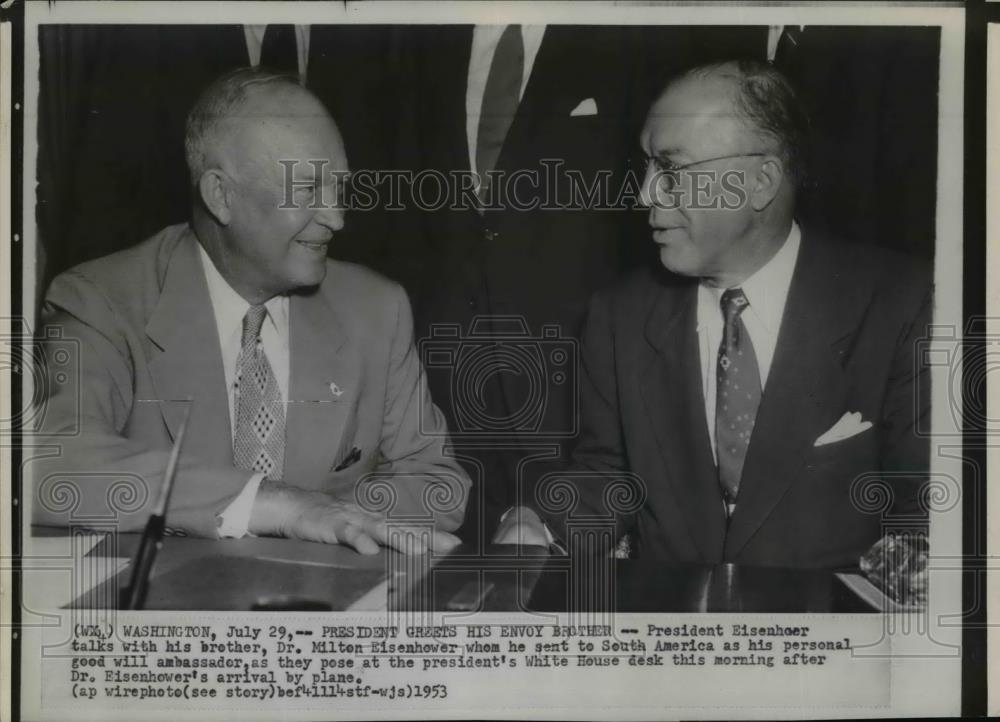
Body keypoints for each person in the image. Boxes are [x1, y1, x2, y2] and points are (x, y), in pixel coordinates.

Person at [496, 60, 931, 572]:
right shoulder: (620, 315)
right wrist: (541, 521)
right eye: (647, 167)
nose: (645, 195)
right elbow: (610, 475)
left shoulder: (906, 303)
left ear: (760, 182)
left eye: (672, 170)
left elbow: (928, 512)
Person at [31, 68, 469, 555]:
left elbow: (439, 485)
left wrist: (318, 511)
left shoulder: (377, 308)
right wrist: (278, 507)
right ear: (221, 195)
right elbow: (46, 464)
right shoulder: (101, 301)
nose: (337, 218)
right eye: (306, 191)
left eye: (339, 189)